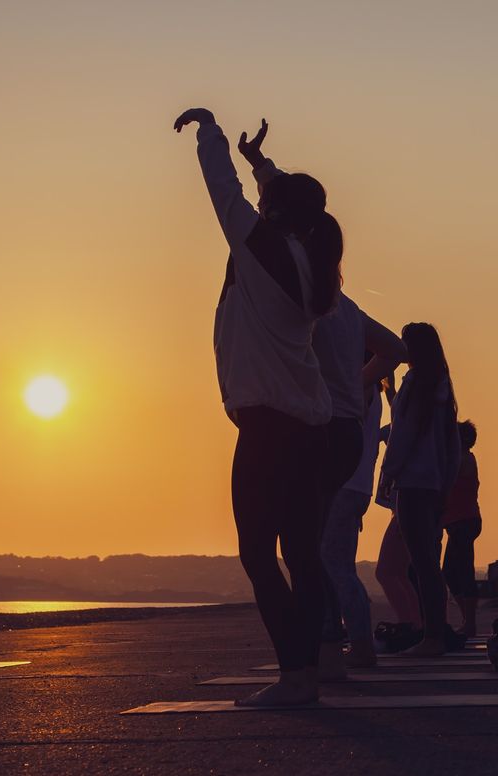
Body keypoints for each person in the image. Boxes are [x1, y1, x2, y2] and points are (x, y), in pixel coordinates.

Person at [175, 107, 342, 706]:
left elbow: (222, 193)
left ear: (272, 211)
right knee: (300, 553)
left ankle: (295, 672)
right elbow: (280, 203)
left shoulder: (259, 246)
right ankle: (309, 673)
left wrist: (211, 130)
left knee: (257, 553)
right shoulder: (312, 263)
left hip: (268, 431)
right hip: (310, 433)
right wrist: (263, 165)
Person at [232, 120, 407, 677]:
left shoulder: (306, 300)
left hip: (321, 432)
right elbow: (397, 348)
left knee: (313, 556)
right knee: (314, 553)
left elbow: (277, 223)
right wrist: (262, 167)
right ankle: (328, 655)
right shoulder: (342, 303)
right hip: (343, 436)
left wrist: (351, 388)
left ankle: (323, 656)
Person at [382, 323, 461, 655]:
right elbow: (450, 444)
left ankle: (432, 637)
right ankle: (435, 633)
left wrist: (388, 472)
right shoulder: (441, 386)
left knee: (422, 562)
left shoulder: (415, 384)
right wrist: (446, 483)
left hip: (412, 483)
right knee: (427, 561)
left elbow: (404, 432)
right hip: (433, 483)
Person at [373, 375, 423, 628]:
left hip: (405, 499)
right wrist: (390, 390)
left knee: (386, 572)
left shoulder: (408, 423)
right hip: (409, 500)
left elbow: (398, 421)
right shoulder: (415, 417)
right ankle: (414, 624)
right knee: (398, 572)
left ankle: (410, 625)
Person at [442, 420, 482, 637]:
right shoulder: (461, 458)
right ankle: (468, 619)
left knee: (464, 571)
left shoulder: (463, 459)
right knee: (449, 571)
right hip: (459, 522)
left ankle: (470, 623)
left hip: (464, 521)